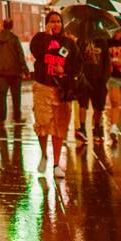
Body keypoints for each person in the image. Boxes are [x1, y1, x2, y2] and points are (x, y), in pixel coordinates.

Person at [30, 10, 80, 176]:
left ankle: (56, 164)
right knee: (43, 123)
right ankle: (44, 155)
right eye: (52, 21)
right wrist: (47, 36)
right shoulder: (40, 39)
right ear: (47, 23)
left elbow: (78, 65)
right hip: (43, 87)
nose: (56, 24)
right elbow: (36, 53)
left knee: (59, 127)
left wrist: (64, 69)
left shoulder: (69, 43)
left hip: (61, 90)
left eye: (58, 21)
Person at [74, 30, 110, 144]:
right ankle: (83, 128)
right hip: (84, 78)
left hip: (99, 79)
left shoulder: (102, 42)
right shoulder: (81, 41)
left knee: (98, 107)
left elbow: (106, 61)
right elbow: (76, 58)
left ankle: (97, 128)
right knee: (82, 103)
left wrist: (104, 77)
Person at [0, 17, 28, 123]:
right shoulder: (14, 39)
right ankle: (17, 116)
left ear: (3, 26)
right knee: (16, 95)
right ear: (11, 26)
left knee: (2, 95)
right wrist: (25, 69)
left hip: (1, 72)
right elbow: (20, 55)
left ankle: (2, 117)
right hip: (15, 72)